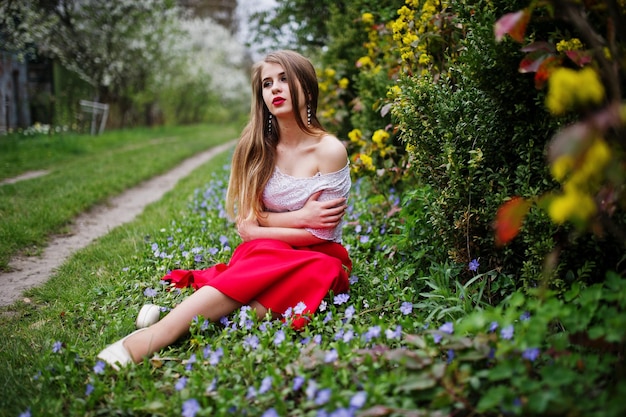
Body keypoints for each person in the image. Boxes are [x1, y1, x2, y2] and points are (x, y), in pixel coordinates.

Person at [97, 50, 352, 370]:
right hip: (264, 251)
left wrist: (263, 226)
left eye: (285, 79)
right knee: (267, 251)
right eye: (267, 83)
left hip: (319, 255)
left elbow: (321, 233)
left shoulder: (329, 150)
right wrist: (297, 218)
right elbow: (247, 225)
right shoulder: (257, 145)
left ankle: (189, 315)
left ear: (308, 89)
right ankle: (160, 333)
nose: (275, 88)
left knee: (323, 270)